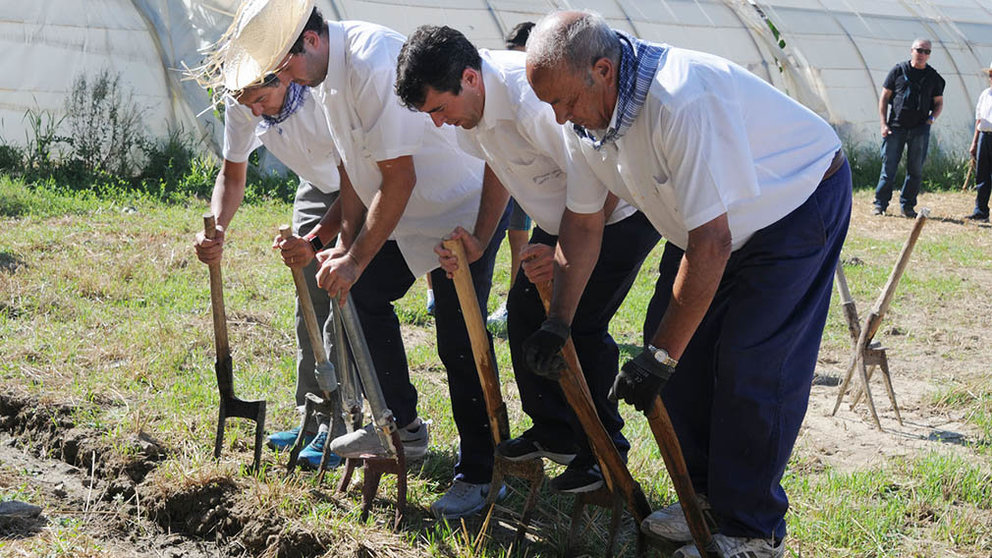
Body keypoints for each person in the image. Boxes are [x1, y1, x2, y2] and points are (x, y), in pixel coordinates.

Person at [523, 11, 851, 558]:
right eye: (550, 105)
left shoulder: (679, 101)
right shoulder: (588, 121)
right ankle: (704, 498)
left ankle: (752, 528)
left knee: (752, 361)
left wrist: (659, 360)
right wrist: (559, 320)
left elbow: (712, 246)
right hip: (711, 221)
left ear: (602, 70)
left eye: (564, 102)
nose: (559, 117)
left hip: (793, 202)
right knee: (674, 340)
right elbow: (582, 223)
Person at [199, 0, 509, 519]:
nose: (283, 79)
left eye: (284, 66)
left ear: (312, 42)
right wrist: (342, 246)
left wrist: (355, 256)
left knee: (458, 337)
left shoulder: (370, 61)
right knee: (362, 292)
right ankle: (402, 429)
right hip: (408, 211)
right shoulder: (323, 80)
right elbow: (354, 175)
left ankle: (482, 469)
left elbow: (399, 178)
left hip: (459, 203)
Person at [394, 25, 660, 493]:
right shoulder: (472, 114)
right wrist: (480, 238)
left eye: (439, 108)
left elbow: (601, 180)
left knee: (578, 323)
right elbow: (501, 166)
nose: (437, 122)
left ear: (471, 79)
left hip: (618, 214)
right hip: (566, 217)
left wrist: (561, 255)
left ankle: (604, 453)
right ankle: (558, 435)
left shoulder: (533, 102)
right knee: (522, 315)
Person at [192, 74, 343, 470]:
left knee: (341, 297)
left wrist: (316, 243)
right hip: (317, 183)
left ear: (285, 77)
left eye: (261, 98)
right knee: (308, 295)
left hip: (358, 186)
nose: (255, 110)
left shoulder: (324, 96)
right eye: (247, 102)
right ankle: (311, 417)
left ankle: (340, 424)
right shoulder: (245, 102)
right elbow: (232, 174)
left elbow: (360, 185)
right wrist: (219, 228)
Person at [486, 21, 537, 334]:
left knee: (521, 235)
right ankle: (511, 302)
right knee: (506, 234)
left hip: (532, 173)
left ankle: (517, 302)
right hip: (507, 167)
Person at [873, 39, 945, 218]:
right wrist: (883, 123)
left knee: (915, 171)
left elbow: (938, 103)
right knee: (888, 169)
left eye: (927, 52)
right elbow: (884, 98)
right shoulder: (898, 71)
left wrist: (931, 119)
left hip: (920, 130)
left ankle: (907, 206)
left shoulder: (933, 77)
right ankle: (880, 205)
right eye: (919, 50)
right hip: (895, 128)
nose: (922, 55)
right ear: (911, 50)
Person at [965, 62, 992, 223]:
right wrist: (974, 143)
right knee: (982, 175)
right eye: (991, 75)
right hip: (984, 136)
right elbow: (979, 120)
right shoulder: (985, 94)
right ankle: (981, 211)